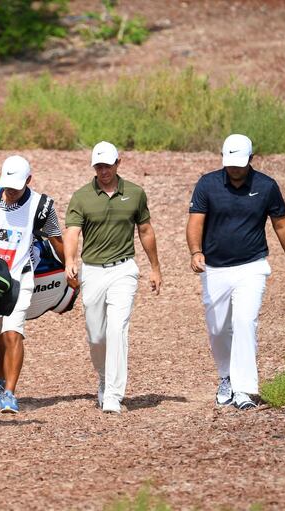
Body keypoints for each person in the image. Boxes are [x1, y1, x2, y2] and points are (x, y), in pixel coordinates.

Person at [186, 134, 285, 410]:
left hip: (252, 266)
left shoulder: (266, 187)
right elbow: (195, 222)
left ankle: (244, 390)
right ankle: (226, 376)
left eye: (240, 163)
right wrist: (195, 252)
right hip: (214, 269)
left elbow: (281, 225)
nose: (235, 169)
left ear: (251, 159)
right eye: (230, 163)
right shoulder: (208, 184)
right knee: (217, 329)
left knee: (244, 322)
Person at [64, 141, 162, 414]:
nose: (103, 170)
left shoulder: (135, 193)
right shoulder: (81, 196)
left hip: (124, 269)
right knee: (96, 336)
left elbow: (145, 230)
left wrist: (155, 268)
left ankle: (113, 395)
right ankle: (105, 376)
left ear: (119, 163)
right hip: (93, 270)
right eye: (99, 166)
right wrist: (70, 260)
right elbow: (72, 232)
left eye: (108, 165)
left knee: (117, 328)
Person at [0, 155, 69, 414]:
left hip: (20, 278)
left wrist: (70, 266)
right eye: (7, 185)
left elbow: (57, 239)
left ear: (29, 180)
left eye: (15, 186)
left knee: (13, 332)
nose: (10, 191)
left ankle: (11, 393)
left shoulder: (41, 206)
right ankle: (1, 381)